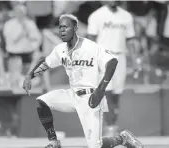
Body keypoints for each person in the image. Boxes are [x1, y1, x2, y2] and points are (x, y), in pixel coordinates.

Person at [23, 14, 143, 148]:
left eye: (66, 27)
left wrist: (101, 89)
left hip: (91, 97)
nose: (62, 30)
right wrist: (30, 76)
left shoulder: (90, 47)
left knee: (95, 146)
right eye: (60, 27)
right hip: (72, 95)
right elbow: (46, 63)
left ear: (75, 28)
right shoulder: (60, 49)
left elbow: (112, 61)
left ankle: (122, 139)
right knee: (42, 102)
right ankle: (53, 142)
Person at [87, 1, 140, 135]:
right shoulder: (96, 16)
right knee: (107, 91)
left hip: (121, 56)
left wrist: (135, 61)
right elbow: (90, 40)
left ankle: (111, 125)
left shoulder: (127, 16)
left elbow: (131, 40)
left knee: (117, 93)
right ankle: (111, 127)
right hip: (103, 56)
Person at [3, 4, 42, 76]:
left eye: (22, 12)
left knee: (36, 58)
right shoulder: (9, 24)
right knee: (15, 72)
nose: (21, 14)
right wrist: (21, 33)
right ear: (15, 13)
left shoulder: (30, 23)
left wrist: (28, 33)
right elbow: (11, 40)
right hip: (14, 52)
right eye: (19, 12)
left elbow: (36, 38)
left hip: (27, 52)